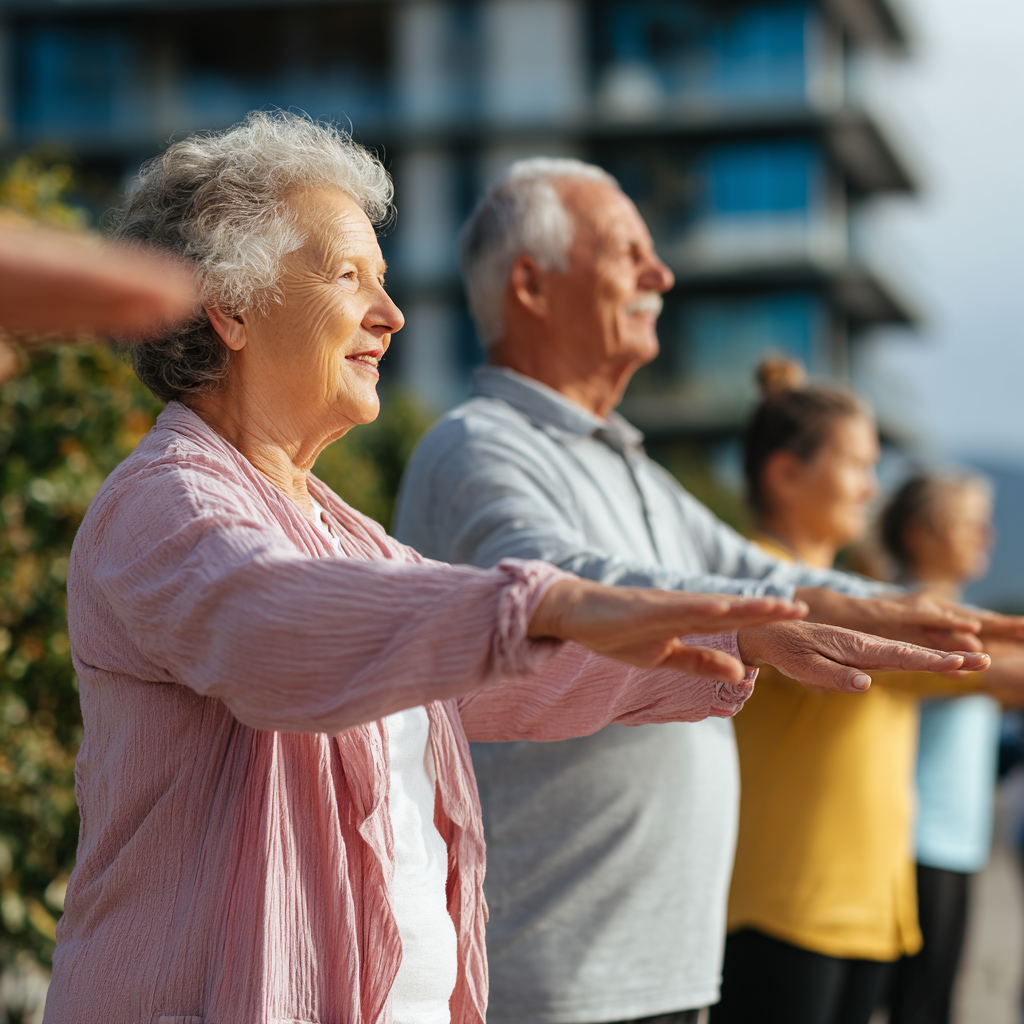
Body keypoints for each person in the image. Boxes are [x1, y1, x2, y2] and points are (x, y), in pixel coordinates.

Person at [40, 112, 957, 1024]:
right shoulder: (165, 502)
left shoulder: (343, 531)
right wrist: (551, 602)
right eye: (349, 277)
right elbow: (276, 627)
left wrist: (727, 634)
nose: (390, 315)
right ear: (231, 307)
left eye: (386, 282)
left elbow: (488, 667)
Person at [393, 158, 1011, 1024]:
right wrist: (761, 623)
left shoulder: (624, 460)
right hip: (546, 972)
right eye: (627, 251)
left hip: (657, 969)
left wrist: (898, 608)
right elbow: (553, 584)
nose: (661, 274)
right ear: (530, 284)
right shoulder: (477, 445)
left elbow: (765, 575)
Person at [713, 363, 1020, 1024]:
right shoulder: (760, 579)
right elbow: (979, 665)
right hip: (787, 906)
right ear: (786, 473)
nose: (870, 487)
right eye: (856, 464)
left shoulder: (854, 589)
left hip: (866, 908)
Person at [881, 473, 1001, 1024]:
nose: (986, 536)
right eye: (969, 523)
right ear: (921, 534)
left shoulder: (964, 619)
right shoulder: (899, 615)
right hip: (912, 841)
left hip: (957, 843)